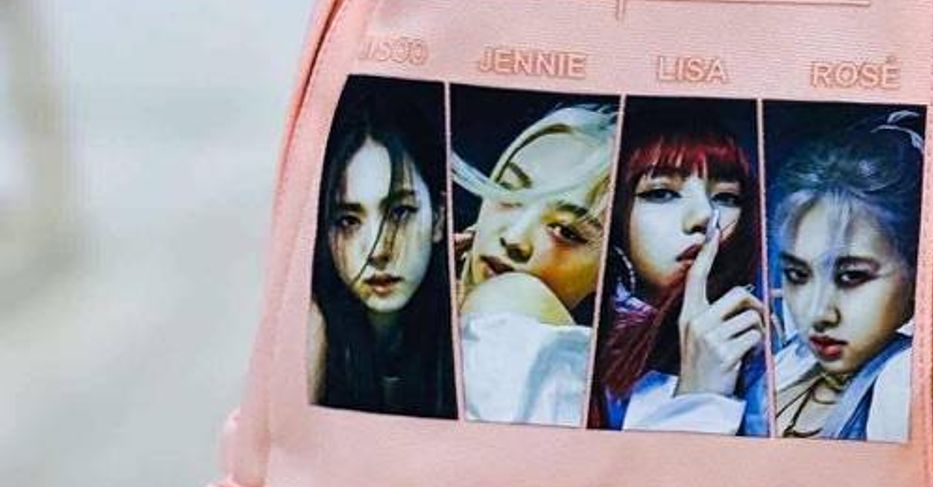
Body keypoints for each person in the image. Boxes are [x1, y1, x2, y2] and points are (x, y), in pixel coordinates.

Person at [590, 107, 768, 435]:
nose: (704, 215)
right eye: (661, 193)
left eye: (726, 197)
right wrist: (699, 398)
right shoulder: (567, 341)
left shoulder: (760, 351)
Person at [452, 101, 617, 426]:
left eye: (565, 230)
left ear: (606, 272)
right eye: (510, 195)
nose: (514, 237)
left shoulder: (513, 298)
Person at [768, 110, 924, 441]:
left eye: (851, 277)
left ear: (917, 270)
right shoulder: (789, 363)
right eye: (797, 275)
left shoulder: (902, 385)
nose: (818, 313)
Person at [307, 78, 455, 418]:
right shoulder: (310, 336)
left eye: (400, 212)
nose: (378, 251)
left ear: (438, 217)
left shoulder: (469, 339)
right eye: (348, 220)